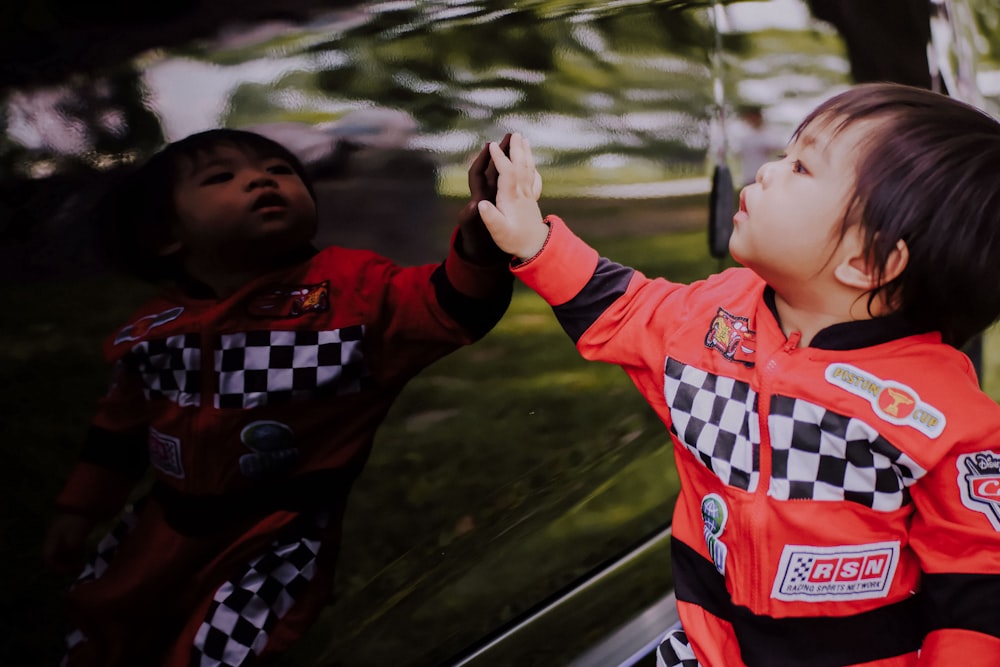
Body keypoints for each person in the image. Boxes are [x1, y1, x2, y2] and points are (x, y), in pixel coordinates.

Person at [477, 84, 1000, 666]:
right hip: (709, 648)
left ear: (868, 263)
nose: (769, 172)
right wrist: (535, 243)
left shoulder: (939, 416)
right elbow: (625, 309)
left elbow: (977, 584)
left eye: (801, 167)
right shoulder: (717, 315)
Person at [42, 128, 514, 666]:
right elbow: (118, 431)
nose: (262, 178)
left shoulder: (350, 290)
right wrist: (80, 510)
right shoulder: (153, 329)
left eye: (281, 170)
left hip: (273, 536)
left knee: (222, 651)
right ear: (165, 236)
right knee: (110, 628)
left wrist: (478, 248)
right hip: (161, 524)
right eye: (222, 177)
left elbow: (447, 309)